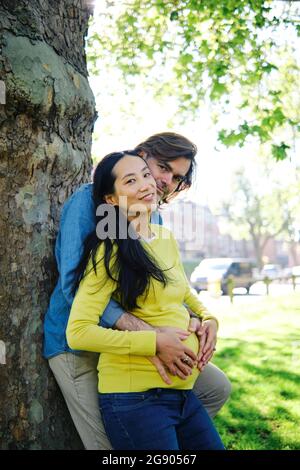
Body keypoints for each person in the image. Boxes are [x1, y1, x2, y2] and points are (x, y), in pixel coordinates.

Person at [43, 132, 231, 450]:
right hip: (77, 348)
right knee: (109, 448)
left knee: (215, 387)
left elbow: (168, 285)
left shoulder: (153, 219)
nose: (165, 180)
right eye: (162, 167)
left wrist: (197, 317)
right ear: (142, 155)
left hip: (137, 350)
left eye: (177, 177)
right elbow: (73, 285)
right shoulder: (89, 202)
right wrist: (152, 340)